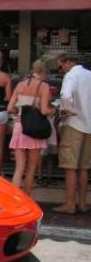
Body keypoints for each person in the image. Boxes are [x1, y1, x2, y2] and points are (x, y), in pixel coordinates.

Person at [7, 59, 55, 196]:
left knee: (19, 167)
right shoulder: (44, 87)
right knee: (31, 167)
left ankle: (14, 198)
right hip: (35, 129)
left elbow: (10, 108)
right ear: (43, 72)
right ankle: (27, 198)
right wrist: (54, 111)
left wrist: (20, 113)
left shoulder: (20, 85)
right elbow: (45, 110)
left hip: (19, 127)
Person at [53, 53, 91, 214]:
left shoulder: (71, 75)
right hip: (89, 126)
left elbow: (66, 96)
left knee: (70, 166)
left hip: (74, 124)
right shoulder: (89, 75)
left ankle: (70, 204)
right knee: (84, 167)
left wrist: (65, 110)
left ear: (68, 62)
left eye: (60, 66)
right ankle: (82, 203)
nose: (60, 70)